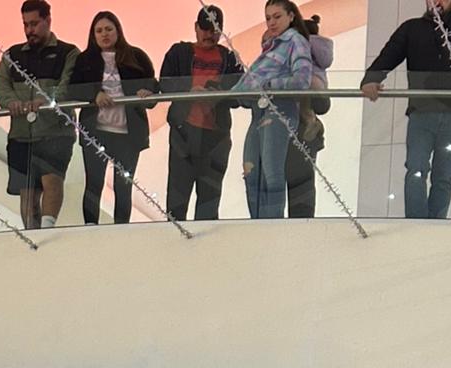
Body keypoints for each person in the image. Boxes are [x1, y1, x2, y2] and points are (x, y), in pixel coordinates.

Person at [361, 0, 451, 220]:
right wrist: (371, 80)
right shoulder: (412, 28)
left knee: (444, 174)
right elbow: (387, 57)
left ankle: (436, 224)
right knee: (416, 168)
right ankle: (417, 222)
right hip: (422, 110)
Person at [0, 0, 79, 230]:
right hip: (21, 133)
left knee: (52, 181)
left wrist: (47, 100)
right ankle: (32, 235)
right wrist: (11, 102)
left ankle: (47, 230)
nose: (29, 30)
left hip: (56, 132)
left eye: (34, 23)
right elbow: (1, 82)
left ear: (48, 20)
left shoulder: (68, 52)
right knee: (27, 193)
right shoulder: (12, 54)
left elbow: (70, 84)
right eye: (25, 24)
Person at [69, 12, 157, 226]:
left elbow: (153, 86)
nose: (104, 34)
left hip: (128, 134)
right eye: (99, 31)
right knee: (94, 184)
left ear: (118, 30)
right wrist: (94, 95)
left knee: (123, 186)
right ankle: (90, 226)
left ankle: (121, 228)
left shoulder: (136, 56)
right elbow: (73, 89)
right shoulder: (85, 60)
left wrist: (147, 92)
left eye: (108, 29)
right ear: (93, 35)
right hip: (95, 132)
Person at [159, 6, 243, 222]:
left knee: (209, 201)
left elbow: (240, 97)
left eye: (214, 30)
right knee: (177, 199)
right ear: (196, 27)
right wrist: (189, 91)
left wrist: (219, 95)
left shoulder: (230, 58)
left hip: (215, 137)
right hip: (184, 133)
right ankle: (175, 238)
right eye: (205, 29)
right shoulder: (179, 52)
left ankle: (202, 241)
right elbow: (164, 84)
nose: (209, 34)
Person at [235, 0, 315, 219]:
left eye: (277, 16)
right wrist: (237, 94)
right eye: (268, 18)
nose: (271, 22)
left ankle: (271, 223)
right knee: (251, 172)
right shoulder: (271, 45)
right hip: (259, 111)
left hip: (280, 109)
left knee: (271, 172)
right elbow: (249, 83)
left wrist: (269, 85)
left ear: (291, 16)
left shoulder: (295, 41)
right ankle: (259, 222)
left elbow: (302, 80)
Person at [285, 13, 333, 219]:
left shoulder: (298, 49)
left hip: (294, 120)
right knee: (304, 181)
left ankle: (293, 221)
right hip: (306, 117)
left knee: (295, 179)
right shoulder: (321, 51)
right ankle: (303, 221)